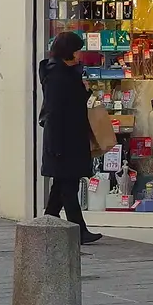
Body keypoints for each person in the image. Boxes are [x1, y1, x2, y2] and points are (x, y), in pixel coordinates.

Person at [39, 31, 101, 244]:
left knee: (62, 184)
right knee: (68, 186)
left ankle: (48, 222)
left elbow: (74, 101)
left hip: (68, 139)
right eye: (77, 50)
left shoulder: (65, 73)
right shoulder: (57, 76)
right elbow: (55, 111)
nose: (79, 55)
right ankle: (79, 230)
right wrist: (56, 146)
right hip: (63, 141)